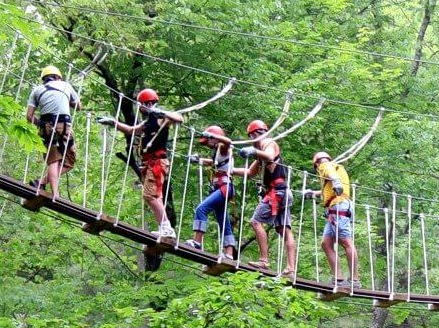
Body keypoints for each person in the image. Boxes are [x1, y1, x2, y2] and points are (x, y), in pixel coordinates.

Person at [97, 88, 182, 238]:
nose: (139, 108)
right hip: (151, 162)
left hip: (158, 162)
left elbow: (179, 118)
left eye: (140, 105)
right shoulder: (147, 122)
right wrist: (113, 123)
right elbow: (130, 130)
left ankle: (167, 228)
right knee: (156, 196)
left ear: (147, 104)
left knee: (149, 195)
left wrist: (160, 112)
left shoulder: (161, 119)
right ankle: (165, 227)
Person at [235, 119, 297, 275]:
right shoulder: (260, 154)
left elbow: (269, 156)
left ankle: (264, 261)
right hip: (282, 192)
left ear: (255, 134)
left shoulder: (269, 143)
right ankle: (290, 268)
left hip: (277, 193)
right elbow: (249, 173)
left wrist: (254, 151)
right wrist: (230, 170)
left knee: (256, 222)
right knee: (285, 230)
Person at [26, 65, 80, 199]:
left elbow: (29, 117)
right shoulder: (66, 86)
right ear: (58, 77)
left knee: (55, 160)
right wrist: (68, 100)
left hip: (45, 128)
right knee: (65, 161)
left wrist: (41, 124)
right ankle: (55, 194)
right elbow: (79, 106)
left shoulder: (36, 91)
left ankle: (41, 182)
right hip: (64, 127)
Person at [183, 126, 237, 259]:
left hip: (224, 187)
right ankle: (229, 253)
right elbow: (214, 163)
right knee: (223, 220)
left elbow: (228, 141)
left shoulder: (224, 148)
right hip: (221, 188)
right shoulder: (218, 152)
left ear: (214, 138)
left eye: (208, 141)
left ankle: (197, 242)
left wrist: (214, 136)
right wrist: (199, 160)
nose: (207, 144)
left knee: (201, 209)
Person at [307, 152, 359, 288]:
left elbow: (331, 175)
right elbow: (329, 189)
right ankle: (339, 279)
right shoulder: (337, 167)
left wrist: (335, 180)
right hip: (336, 208)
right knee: (326, 243)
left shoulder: (325, 165)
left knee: (346, 241)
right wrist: (314, 193)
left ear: (316, 164)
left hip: (339, 207)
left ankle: (354, 280)